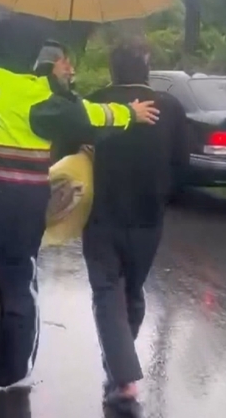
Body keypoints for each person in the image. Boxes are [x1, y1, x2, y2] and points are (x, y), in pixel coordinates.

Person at [0, 14, 160, 418]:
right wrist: (129, 113)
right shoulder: (39, 98)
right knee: (19, 295)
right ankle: (11, 371)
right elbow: (90, 118)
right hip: (15, 222)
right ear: (32, 54)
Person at [79, 40, 188, 416]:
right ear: (147, 67)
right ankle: (120, 367)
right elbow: (182, 161)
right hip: (148, 219)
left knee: (108, 291)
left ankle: (122, 375)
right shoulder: (170, 107)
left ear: (112, 67)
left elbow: (68, 145)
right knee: (132, 290)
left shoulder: (96, 102)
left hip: (102, 215)